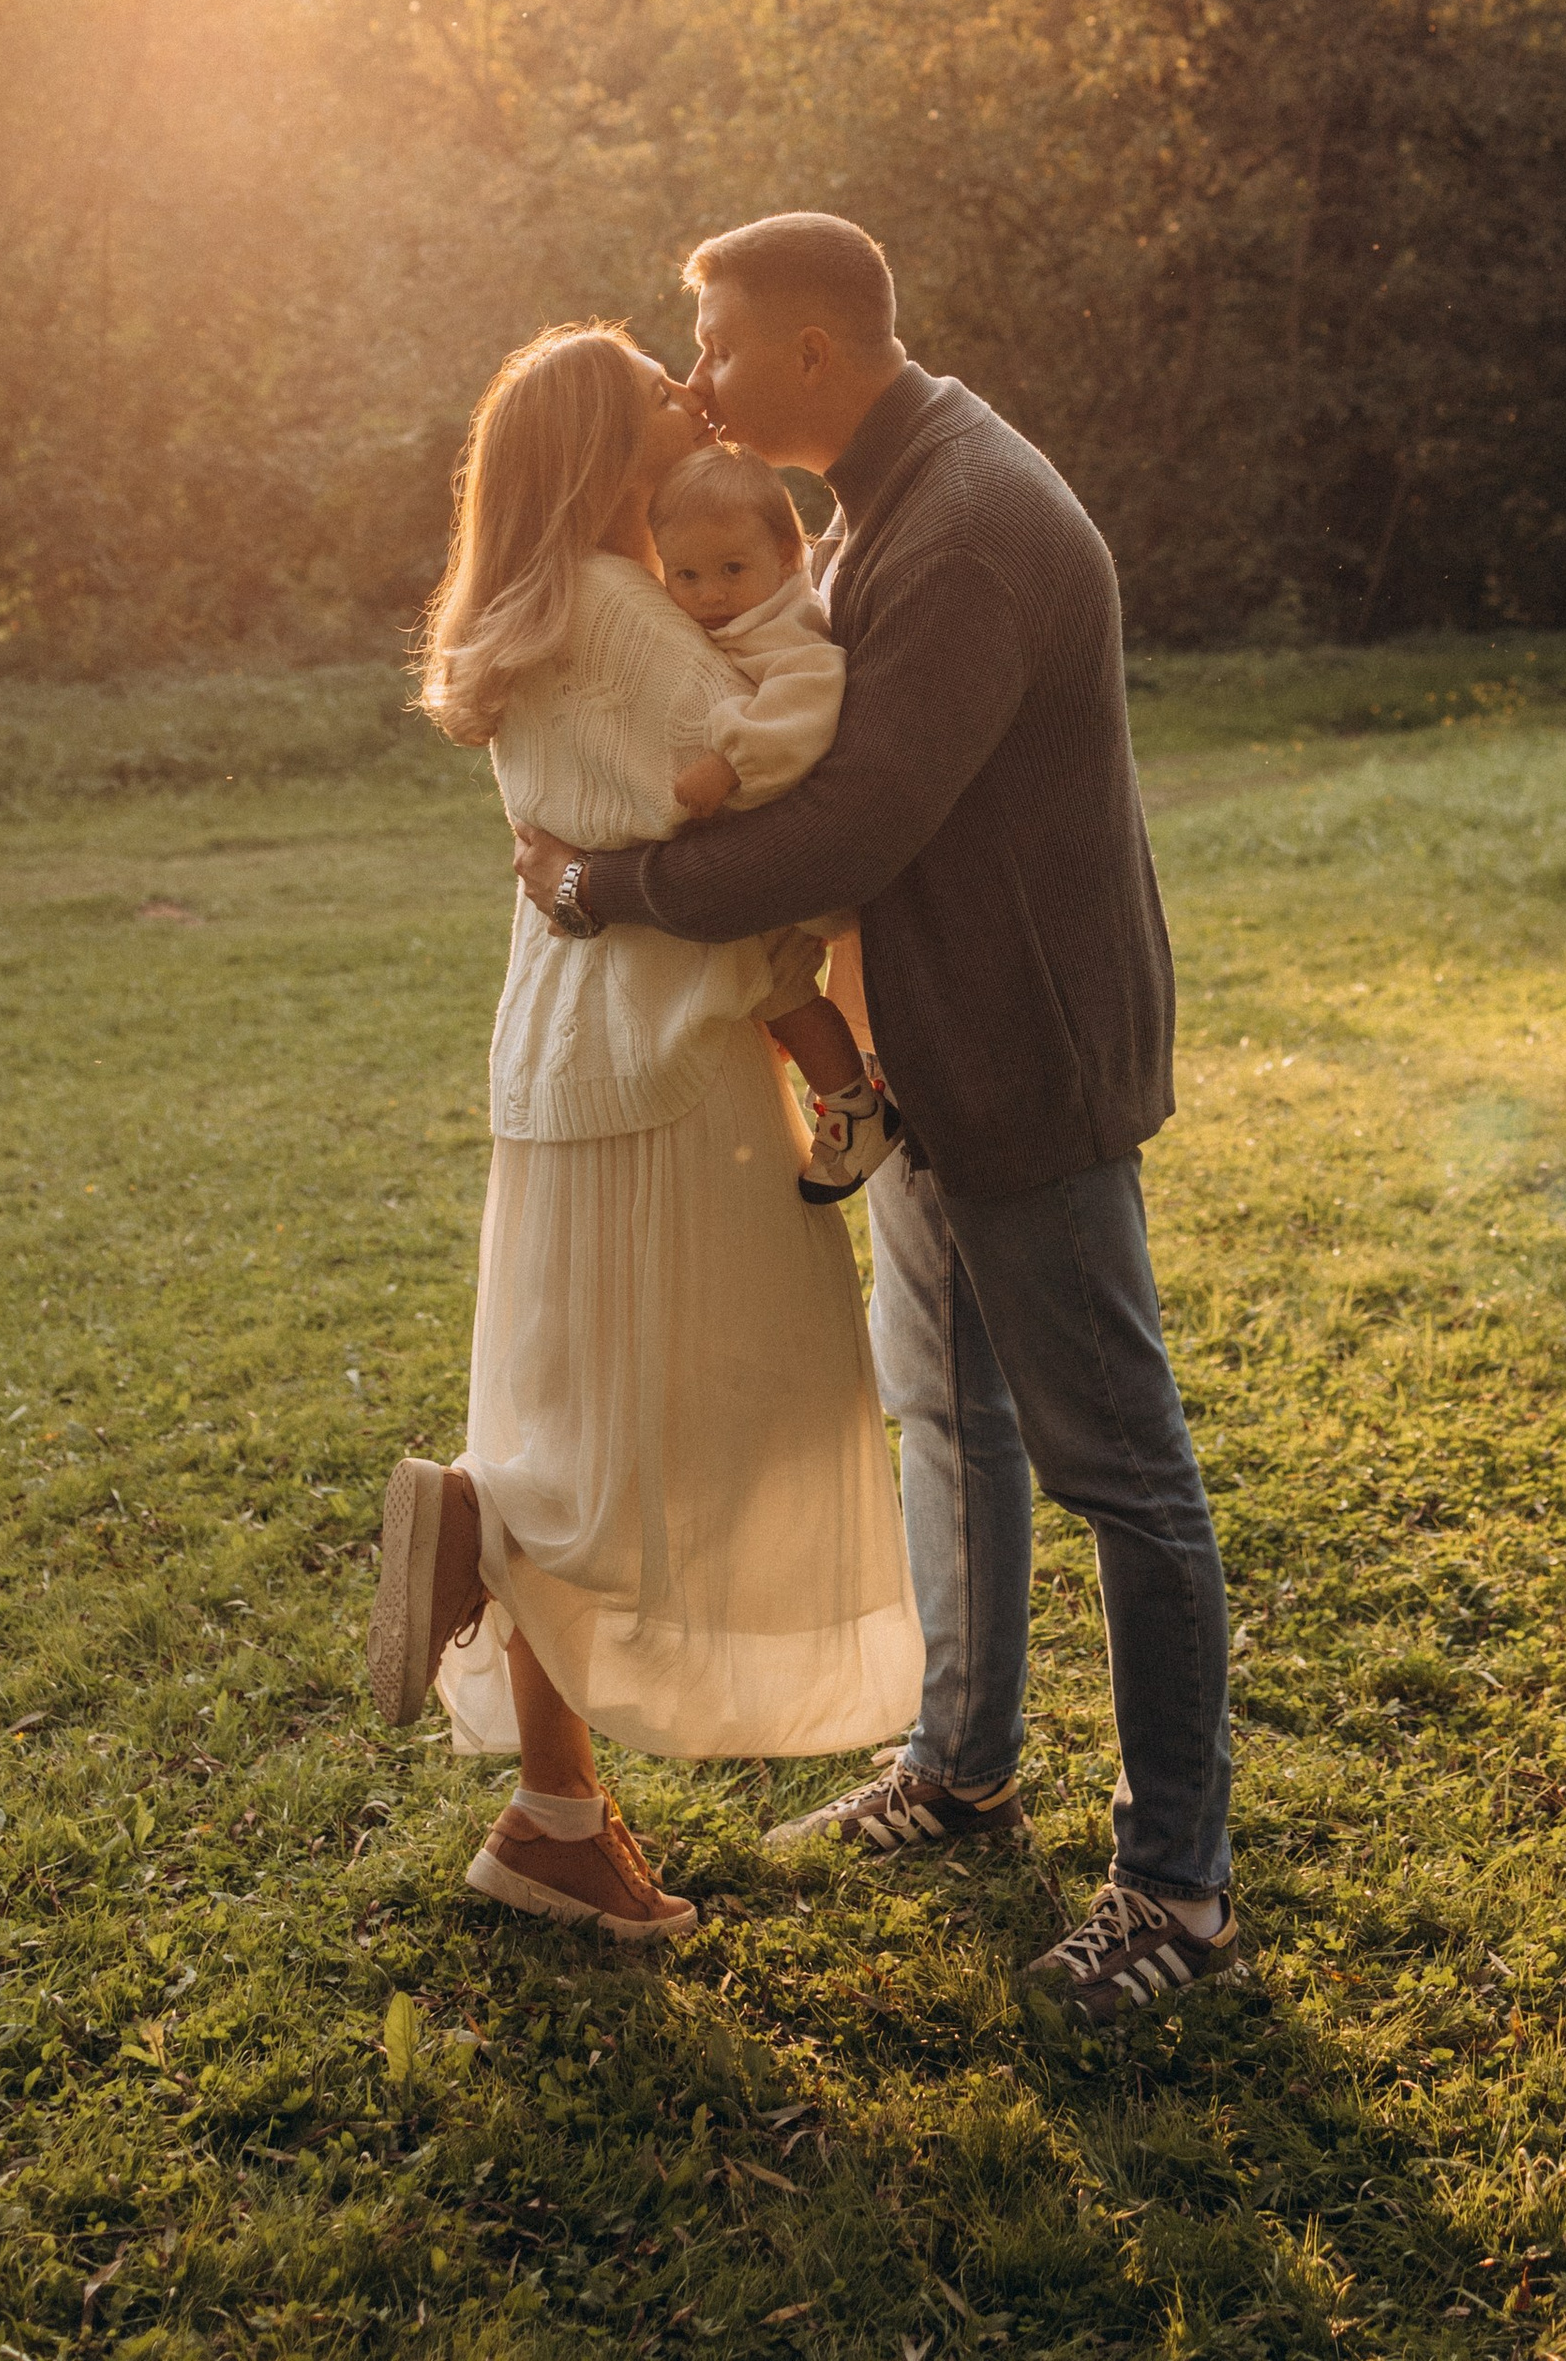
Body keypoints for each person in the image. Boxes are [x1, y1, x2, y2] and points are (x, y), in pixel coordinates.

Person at [510, 215, 1239, 2030]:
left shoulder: (970, 528)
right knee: (952, 1420)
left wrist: (605, 887)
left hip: (1028, 1052)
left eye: (715, 340)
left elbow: (850, 831)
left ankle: (1177, 1890)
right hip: (924, 1052)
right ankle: (966, 1762)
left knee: (1121, 1471)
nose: (694, 375)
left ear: (819, 353)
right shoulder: (880, 508)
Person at [365, 320, 923, 1942]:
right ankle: (486, 1530)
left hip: (555, 1067)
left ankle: (552, 1814)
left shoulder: (524, 623)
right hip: (663, 1069)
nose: (696, 416)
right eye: (662, 405)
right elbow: (782, 779)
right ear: (609, 459)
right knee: (699, 1431)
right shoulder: (619, 619)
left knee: (589, 1417)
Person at [648, 440, 898, 1200]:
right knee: (777, 985)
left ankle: (858, 1109)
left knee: (780, 984)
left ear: (789, 556)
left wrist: (730, 760)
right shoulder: (739, 618)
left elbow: (810, 701)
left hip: (794, 851)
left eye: (731, 569)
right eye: (685, 574)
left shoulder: (787, 626)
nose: (711, 593)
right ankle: (851, 1094)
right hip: (776, 848)